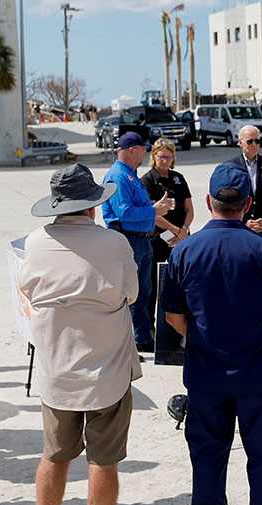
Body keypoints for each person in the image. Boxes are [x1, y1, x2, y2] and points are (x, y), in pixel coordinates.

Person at [162, 163, 262, 505]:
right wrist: (260, 340)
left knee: (207, 454)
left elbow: (172, 316)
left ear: (208, 202)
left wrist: (201, 340)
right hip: (256, 373)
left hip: (206, 374)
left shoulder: (184, 250)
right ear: (248, 203)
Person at [21, 164, 140, 505]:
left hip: (56, 368)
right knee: (103, 461)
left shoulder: (35, 242)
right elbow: (132, 293)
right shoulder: (115, 243)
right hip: (107, 370)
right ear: (92, 206)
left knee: (53, 456)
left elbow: (27, 290)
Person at [101, 132, 174, 354]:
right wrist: (154, 210)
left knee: (142, 293)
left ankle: (142, 338)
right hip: (129, 239)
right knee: (130, 293)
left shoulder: (129, 174)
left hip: (140, 239)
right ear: (132, 150)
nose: (145, 154)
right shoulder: (119, 176)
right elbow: (124, 212)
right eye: (143, 149)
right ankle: (131, 340)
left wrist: (154, 209)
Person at [140, 138, 194, 334]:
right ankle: (150, 328)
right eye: (161, 156)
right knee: (152, 286)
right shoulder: (148, 180)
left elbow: (189, 209)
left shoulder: (178, 178)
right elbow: (153, 214)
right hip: (158, 239)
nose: (164, 161)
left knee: (182, 281)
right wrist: (176, 231)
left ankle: (180, 325)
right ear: (154, 156)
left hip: (181, 238)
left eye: (168, 157)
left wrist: (184, 230)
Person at [225, 125, 262, 241]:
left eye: (257, 141)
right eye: (250, 141)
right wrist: (244, 221)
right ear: (240, 142)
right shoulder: (230, 167)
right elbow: (226, 202)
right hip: (240, 229)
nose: (254, 145)